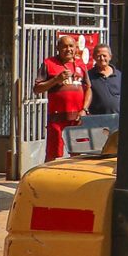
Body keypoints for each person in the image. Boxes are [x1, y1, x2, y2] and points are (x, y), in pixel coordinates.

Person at [33, 34, 89, 163]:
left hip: (77, 119)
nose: (68, 49)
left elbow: (88, 88)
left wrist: (84, 109)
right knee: (53, 154)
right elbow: (37, 89)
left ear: (76, 48)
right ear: (58, 48)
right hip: (57, 119)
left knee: (78, 155)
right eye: (64, 46)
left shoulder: (80, 64)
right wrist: (56, 80)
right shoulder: (49, 63)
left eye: (71, 46)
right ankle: (47, 175)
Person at [86, 44, 121, 116]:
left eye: (104, 56)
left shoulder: (119, 75)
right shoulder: (89, 76)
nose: (102, 58)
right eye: (99, 56)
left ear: (110, 57)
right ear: (94, 57)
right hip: (98, 119)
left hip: (118, 118)